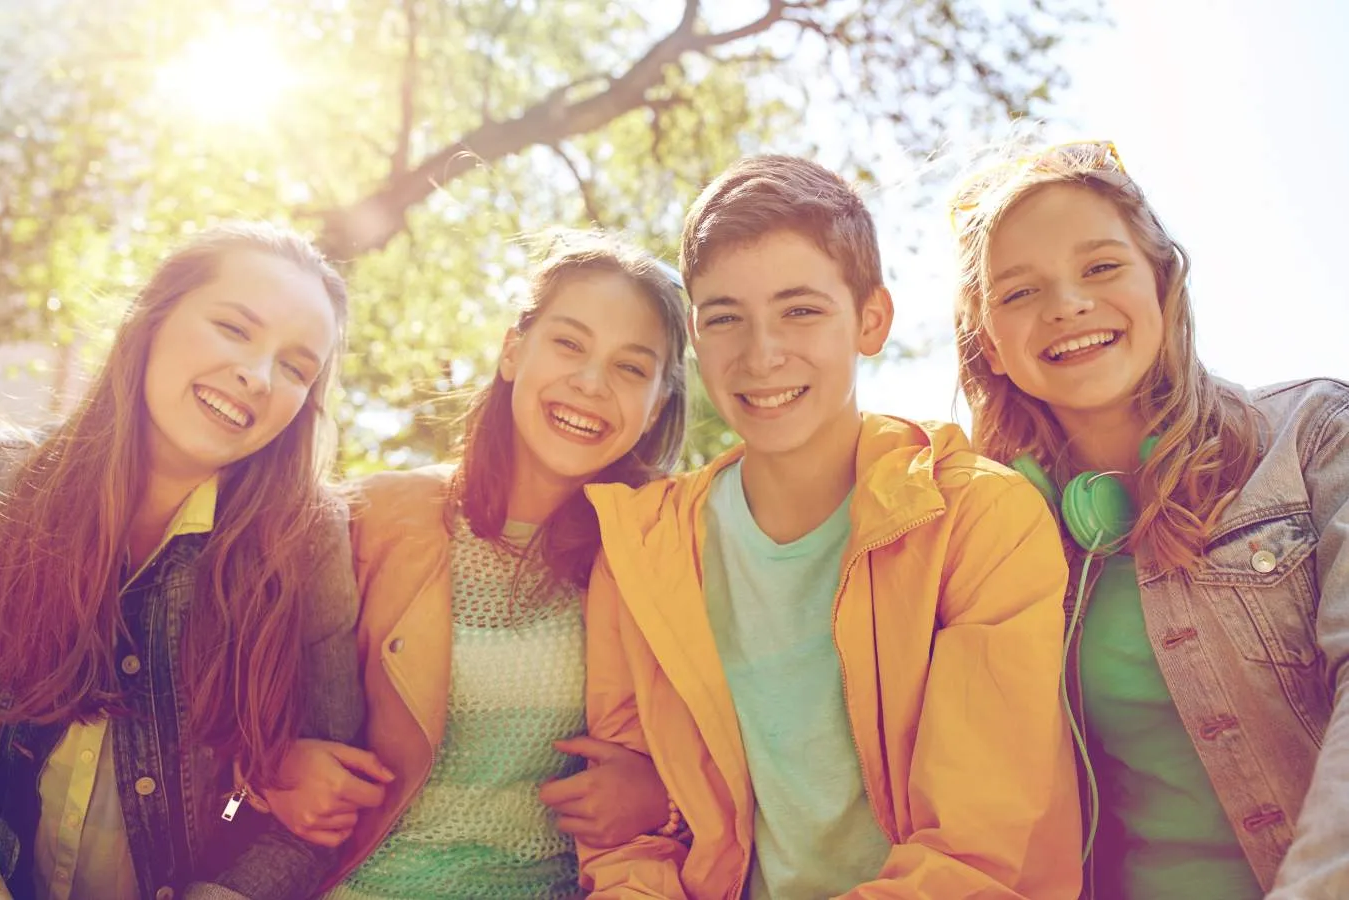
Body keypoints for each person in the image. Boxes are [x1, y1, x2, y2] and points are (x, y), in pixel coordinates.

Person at [578, 154, 1083, 898]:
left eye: (801, 310)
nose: (762, 354)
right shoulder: (642, 549)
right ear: (695, 334)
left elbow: (976, 851)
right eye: (726, 319)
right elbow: (630, 841)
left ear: (870, 320)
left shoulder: (980, 520)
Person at [951, 139, 1349, 898]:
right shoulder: (992, 537)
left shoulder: (1316, 435)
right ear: (990, 346)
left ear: (1164, 285)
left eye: (1100, 267)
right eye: (1019, 292)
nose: (1067, 304)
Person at [264, 231, 691, 900]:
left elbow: (752, 775)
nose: (589, 382)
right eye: (569, 343)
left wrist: (664, 800)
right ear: (514, 350)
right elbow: (211, 764)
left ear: (658, 403)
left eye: (631, 368)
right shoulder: (369, 519)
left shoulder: (670, 556)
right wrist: (273, 776)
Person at [0, 222, 361, 900]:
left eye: (294, 367)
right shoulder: (9, 487)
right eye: (234, 327)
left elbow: (320, 811)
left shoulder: (307, 543)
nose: (256, 376)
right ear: (153, 317)